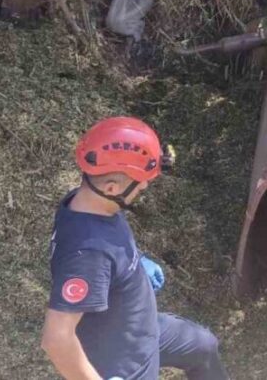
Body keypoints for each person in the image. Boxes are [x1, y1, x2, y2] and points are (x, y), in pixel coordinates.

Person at [40, 117, 229, 380]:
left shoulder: (89, 201)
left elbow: (106, 244)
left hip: (139, 326)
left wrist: (135, 262)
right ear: (111, 187)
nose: (144, 186)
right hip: (124, 360)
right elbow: (57, 339)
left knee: (203, 347)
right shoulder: (89, 255)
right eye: (140, 182)